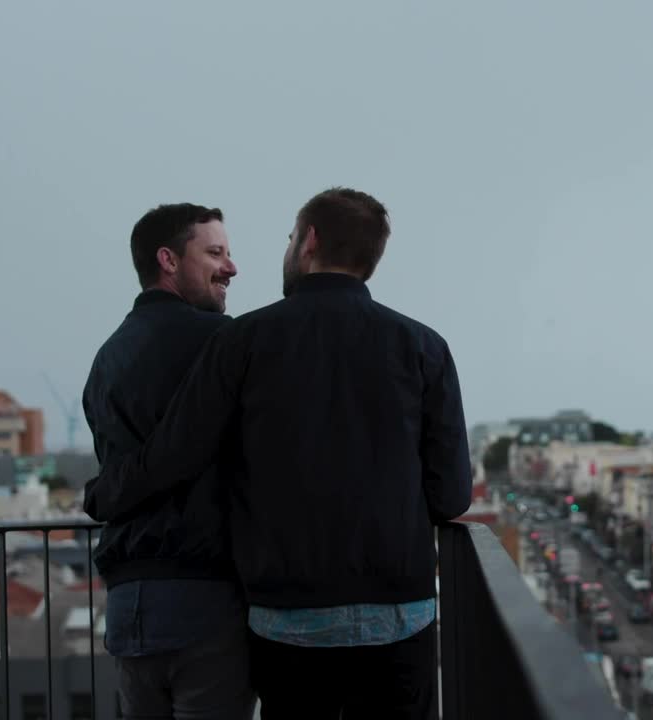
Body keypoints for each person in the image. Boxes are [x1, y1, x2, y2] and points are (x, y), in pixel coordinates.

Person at [84, 187, 473, 719]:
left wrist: (102, 493)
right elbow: (450, 493)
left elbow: (176, 453)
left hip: (290, 617)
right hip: (399, 610)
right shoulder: (425, 346)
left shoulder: (243, 340)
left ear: (310, 241)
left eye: (290, 237)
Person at [82, 203, 254, 719]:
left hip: (129, 605)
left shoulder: (106, 358)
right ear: (168, 260)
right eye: (216, 253)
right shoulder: (223, 343)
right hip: (205, 598)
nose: (232, 267)